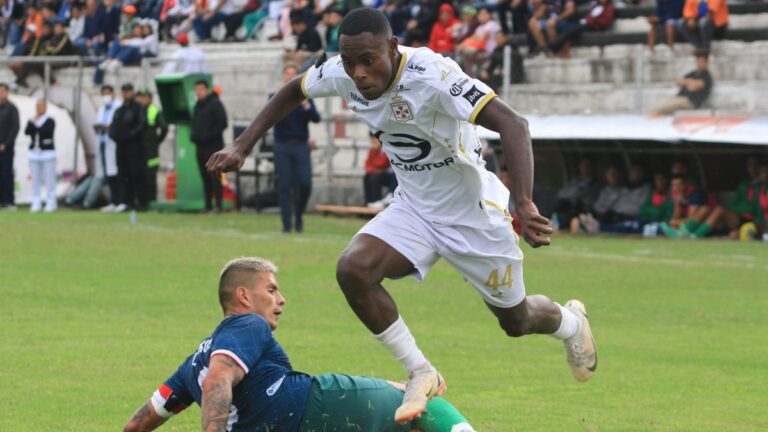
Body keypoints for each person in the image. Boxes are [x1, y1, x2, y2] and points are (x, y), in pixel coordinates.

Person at [207, 7, 597, 423]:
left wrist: (524, 202)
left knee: (516, 321)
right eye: (350, 61)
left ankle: (571, 323)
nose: (357, 73)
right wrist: (243, 145)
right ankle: (421, 370)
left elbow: (513, 124)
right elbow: (292, 91)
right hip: (415, 207)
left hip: (474, 215)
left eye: (368, 60)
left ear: (393, 47)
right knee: (354, 269)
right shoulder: (341, 71)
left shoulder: (434, 76)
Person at [122, 257, 477, 432]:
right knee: (423, 404)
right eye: (272, 289)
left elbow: (138, 424)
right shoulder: (247, 324)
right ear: (244, 296)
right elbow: (218, 379)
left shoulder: (189, 367)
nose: (282, 299)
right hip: (318, 404)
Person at [271, 64, 320, 232]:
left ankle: (298, 214)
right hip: (282, 145)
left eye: (293, 74)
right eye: (287, 74)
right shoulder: (276, 96)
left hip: (300, 145)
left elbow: (316, 118)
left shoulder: (305, 97)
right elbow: (271, 118)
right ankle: (286, 225)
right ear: (283, 76)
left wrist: (305, 104)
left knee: (305, 183)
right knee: (284, 185)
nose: (290, 77)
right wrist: (279, 98)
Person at [110, 83, 148, 212]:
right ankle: (127, 202)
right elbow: (113, 126)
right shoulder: (119, 110)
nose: (126, 94)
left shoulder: (138, 108)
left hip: (135, 147)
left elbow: (142, 125)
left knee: (137, 175)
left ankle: (142, 202)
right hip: (121, 147)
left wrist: (130, 135)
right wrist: (115, 136)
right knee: (124, 175)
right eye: (124, 91)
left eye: (128, 91)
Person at [191, 79, 228, 213]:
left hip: (213, 147)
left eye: (201, 89)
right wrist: (194, 135)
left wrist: (209, 135)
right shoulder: (197, 106)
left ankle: (218, 205)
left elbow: (223, 123)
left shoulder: (215, 103)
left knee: (216, 177)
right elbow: (194, 123)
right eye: (197, 89)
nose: (198, 92)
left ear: (207, 89)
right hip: (200, 147)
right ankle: (207, 205)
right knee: (204, 176)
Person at [548, 0, 615, 58]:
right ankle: (556, 48)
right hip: (586, 24)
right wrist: (588, 20)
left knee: (572, 30)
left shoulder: (609, 8)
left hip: (594, 27)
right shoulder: (596, 6)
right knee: (568, 30)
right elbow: (590, 16)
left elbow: (605, 22)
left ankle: (553, 47)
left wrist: (591, 21)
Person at [25, 99, 57, 213]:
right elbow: (27, 132)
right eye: (38, 106)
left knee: (49, 179)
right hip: (34, 153)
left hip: (47, 153)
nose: (40, 108)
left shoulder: (50, 120)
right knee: (35, 179)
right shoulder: (33, 120)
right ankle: (36, 201)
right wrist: (33, 121)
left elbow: (46, 132)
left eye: (42, 106)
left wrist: (35, 126)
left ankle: (51, 202)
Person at [136, 88, 168, 203]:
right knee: (140, 175)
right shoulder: (137, 110)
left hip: (151, 149)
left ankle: (151, 200)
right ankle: (141, 200)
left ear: (150, 98)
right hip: (139, 148)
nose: (141, 99)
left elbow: (164, 128)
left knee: (150, 175)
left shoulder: (154, 110)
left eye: (144, 97)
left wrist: (157, 141)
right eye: (140, 97)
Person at [552, 157, 601, 228]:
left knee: (576, 206)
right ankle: (553, 223)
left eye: (587, 165)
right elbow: (562, 193)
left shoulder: (595, 184)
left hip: (583, 207)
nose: (584, 168)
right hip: (569, 203)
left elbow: (588, 199)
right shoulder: (575, 181)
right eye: (583, 165)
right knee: (560, 203)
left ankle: (563, 225)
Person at [95, 85, 122, 211]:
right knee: (108, 172)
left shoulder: (118, 107)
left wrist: (107, 128)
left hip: (114, 143)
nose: (105, 96)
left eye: (108, 93)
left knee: (115, 172)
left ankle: (120, 201)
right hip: (103, 142)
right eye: (103, 93)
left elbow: (117, 125)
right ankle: (113, 201)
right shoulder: (101, 109)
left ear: (113, 94)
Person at [364, 131, 397, 208]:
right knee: (367, 177)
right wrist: (374, 169)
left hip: (391, 175)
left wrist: (375, 168)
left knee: (374, 177)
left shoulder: (386, 147)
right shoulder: (373, 150)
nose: (373, 142)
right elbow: (367, 165)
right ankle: (369, 202)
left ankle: (377, 200)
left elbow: (382, 163)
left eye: (374, 139)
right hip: (382, 173)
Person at [0, 82, 20, 210]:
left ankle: (9, 201)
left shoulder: (12, 108)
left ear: (7, 92)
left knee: (7, 173)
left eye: (3, 91)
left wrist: (5, 143)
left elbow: (15, 128)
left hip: (7, 148)